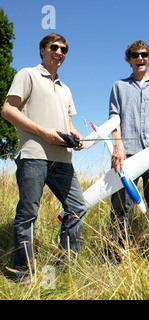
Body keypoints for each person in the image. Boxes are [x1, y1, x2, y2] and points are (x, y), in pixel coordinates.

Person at [1, 33, 87, 280]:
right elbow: (7, 110)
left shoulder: (66, 89)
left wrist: (76, 137)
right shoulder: (27, 75)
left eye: (64, 49)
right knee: (28, 213)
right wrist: (43, 133)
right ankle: (23, 273)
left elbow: (69, 125)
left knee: (77, 207)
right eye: (54, 47)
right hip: (33, 156)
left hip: (63, 160)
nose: (59, 52)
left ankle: (64, 269)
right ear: (42, 49)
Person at [108, 40, 149, 260]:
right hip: (127, 156)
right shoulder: (119, 86)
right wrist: (118, 146)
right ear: (129, 59)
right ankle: (116, 258)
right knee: (120, 210)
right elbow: (114, 120)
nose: (140, 59)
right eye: (135, 55)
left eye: (144, 54)